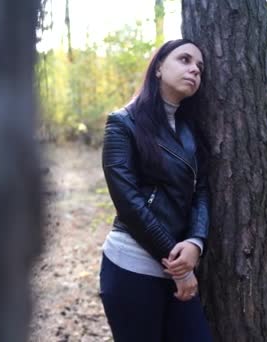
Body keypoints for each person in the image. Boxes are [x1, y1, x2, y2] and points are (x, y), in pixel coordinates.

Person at [99, 38, 214, 341]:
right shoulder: (123, 124)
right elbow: (129, 204)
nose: (194, 71)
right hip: (131, 267)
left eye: (200, 68)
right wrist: (181, 269)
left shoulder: (190, 129)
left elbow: (201, 189)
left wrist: (196, 241)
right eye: (185, 60)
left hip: (179, 264)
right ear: (159, 67)